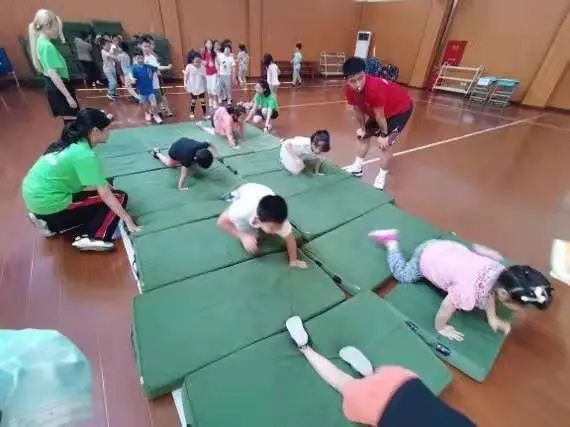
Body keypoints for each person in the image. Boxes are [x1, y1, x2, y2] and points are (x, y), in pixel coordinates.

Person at [285, 316, 475, 427]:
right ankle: (304, 348)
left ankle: (371, 375)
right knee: (343, 383)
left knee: (379, 385)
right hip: (379, 407)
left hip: (403, 380)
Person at [369, 229, 553, 341]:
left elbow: (490, 290)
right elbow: (446, 306)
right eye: (521, 305)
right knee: (403, 275)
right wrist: (441, 327)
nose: (521, 309)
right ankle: (391, 242)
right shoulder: (467, 292)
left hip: (446, 247)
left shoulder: (499, 269)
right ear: (505, 294)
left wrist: (492, 317)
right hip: (425, 256)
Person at [22, 108, 140, 252]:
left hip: (35, 198)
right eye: (107, 129)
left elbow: (92, 184)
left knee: (105, 189)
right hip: (49, 201)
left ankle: (50, 223)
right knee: (119, 197)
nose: (109, 132)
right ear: (95, 130)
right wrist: (128, 219)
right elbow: (106, 195)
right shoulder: (84, 155)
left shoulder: (69, 144)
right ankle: (95, 237)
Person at [342, 56, 413, 190]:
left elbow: (380, 116)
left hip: (399, 110)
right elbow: (357, 110)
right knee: (362, 137)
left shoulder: (374, 88)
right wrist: (363, 129)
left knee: (385, 146)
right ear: (346, 80)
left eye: (360, 78)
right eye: (353, 81)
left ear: (365, 74)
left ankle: (381, 176)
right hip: (380, 111)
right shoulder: (349, 90)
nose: (358, 84)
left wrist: (384, 135)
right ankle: (357, 167)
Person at [217, 183, 307, 268]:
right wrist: (243, 236)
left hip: (264, 192)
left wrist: (293, 260)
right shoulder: (242, 211)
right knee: (248, 235)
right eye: (272, 228)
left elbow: (290, 239)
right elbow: (221, 222)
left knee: (270, 231)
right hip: (246, 189)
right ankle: (232, 194)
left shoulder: (280, 220)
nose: (276, 231)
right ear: (258, 220)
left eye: (278, 227)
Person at [28, 9, 80, 122]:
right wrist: (68, 96)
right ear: (48, 26)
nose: (58, 30)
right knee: (73, 122)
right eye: (57, 26)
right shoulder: (47, 46)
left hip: (55, 86)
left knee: (71, 121)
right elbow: (53, 74)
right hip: (58, 86)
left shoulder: (40, 42)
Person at [151, 138, 219, 190]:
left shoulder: (202, 146)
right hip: (174, 150)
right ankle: (157, 153)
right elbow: (183, 174)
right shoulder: (187, 158)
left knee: (192, 165)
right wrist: (180, 187)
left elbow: (209, 142)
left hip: (183, 142)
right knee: (170, 164)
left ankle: (171, 146)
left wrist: (217, 154)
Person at [140, 35, 174, 117]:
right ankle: (152, 112)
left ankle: (164, 110)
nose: (149, 47)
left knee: (160, 96)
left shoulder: (152, 56)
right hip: (146, 83)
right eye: (146, 46)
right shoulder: (140, 58)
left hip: (156, 82)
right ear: (141, 46)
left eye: (150, 45)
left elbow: (156, 67)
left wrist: (163, 69)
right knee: (149, 99)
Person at [130, 48, 163, 124]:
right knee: (145, 105)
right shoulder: (134, 67)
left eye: (141, 56)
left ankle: (155, 115)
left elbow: (157, 68)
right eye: (138, 57)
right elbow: (131, 74)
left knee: (154, 104)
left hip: (150, 90)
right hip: (142, 91)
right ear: (135, 58)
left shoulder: (148, 66)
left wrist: (167, 67)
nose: (140, 58)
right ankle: (147, 113)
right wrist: (132, 79)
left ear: (143, 57)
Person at [183, 50, 207, 119]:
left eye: (199, 62)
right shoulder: (189, 67)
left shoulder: (202, 67)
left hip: (200, 86)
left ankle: (204, 114)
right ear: (192, 60)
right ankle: (192, 113)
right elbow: (186, 76)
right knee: (193, 100)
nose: (198, 63)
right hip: (192, 86)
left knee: (202, 100)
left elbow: (205, 77)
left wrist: (206, 86)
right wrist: (185, 84)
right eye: (196, 62)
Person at [202, 39, 218, 113]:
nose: (210, 45)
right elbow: (202, 63)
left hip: (214, 73)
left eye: (211, 43)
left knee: (214, 88)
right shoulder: (204, 54)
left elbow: (217, 63)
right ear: (205, 45)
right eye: (208, 43)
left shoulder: (214, 53)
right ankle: (210, 102)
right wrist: (205, 63)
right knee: (209, 89)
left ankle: (215, 102)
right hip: (207, 74)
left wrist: (217, 71)